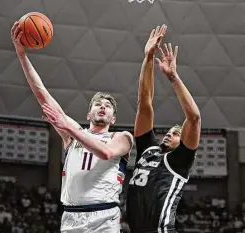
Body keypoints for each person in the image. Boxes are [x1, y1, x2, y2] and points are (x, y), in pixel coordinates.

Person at [11, 22, 133, 233]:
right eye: (98, 104)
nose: (103, 107)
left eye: (108, 106)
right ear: (89, 114)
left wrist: (68, 126)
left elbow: (105, 153)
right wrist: (21, 55)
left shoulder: (121, 137)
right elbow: (42, 94)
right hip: (71, 217)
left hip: (104, 216)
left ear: (113, 118)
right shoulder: (73, 134)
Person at [126, 25, 201, 233]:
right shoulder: (148, 150)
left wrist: (173, 78)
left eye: (176, 133)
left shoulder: (180, 161)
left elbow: (194, 118)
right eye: (169, 131)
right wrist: (148, 57)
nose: (169, 133)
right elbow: (144, 103)